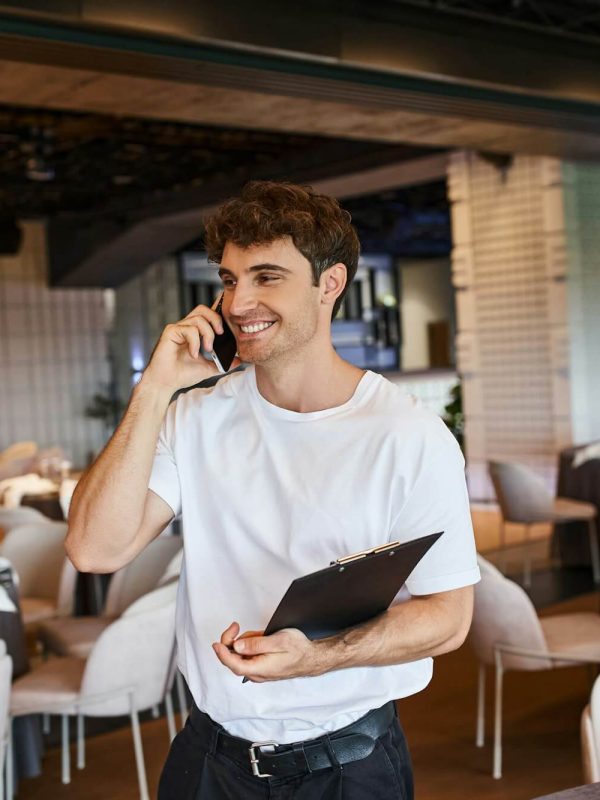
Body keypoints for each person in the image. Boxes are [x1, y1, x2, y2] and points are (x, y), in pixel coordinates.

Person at [66, 181, 480, 799]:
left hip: (349, 768)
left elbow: (448, 620)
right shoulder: (194, 414)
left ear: (330, 284)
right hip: (209, 756)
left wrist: (317, 656)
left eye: (267, 277)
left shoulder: (409, 435)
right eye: (230, 279)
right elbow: (94, 550)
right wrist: (152, 391)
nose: (239, 302)